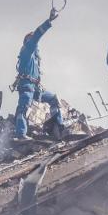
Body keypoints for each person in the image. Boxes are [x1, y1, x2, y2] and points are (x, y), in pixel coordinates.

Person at [12, 9, 66, 141]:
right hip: (27, 86)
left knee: (54, 99)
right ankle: (21, 135)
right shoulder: (27, 52)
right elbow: (36, 35)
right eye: (32, 41)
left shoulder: (35, 60)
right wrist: (48, 21)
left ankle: (58, 128)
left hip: (35, 88)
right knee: (24, 107)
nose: (36, 44)